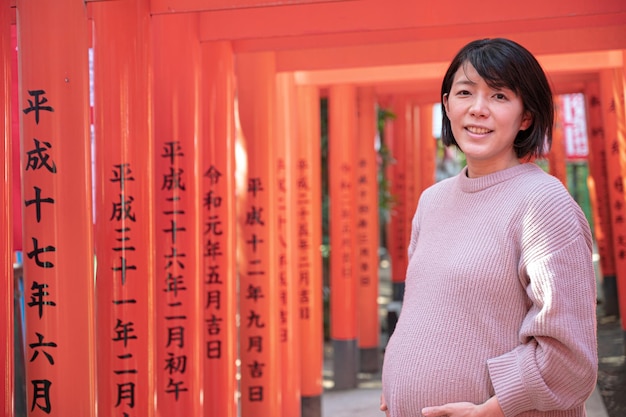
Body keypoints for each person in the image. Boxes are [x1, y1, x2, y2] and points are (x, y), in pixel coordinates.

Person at [380, 38, 598, 417]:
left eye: (499, 96)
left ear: (525, 117)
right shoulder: (432, 200)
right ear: (447, 104)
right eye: (465, 92)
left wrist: (493, 408)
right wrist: (400, 377)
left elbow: (570, 356)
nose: (478, 109)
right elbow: (427, 308)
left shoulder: (543, 203)